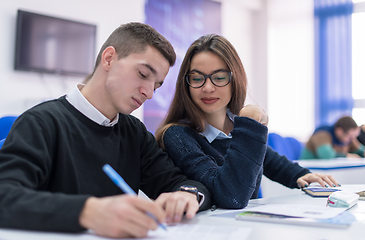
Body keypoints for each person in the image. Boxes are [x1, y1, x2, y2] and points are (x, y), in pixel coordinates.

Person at [0, 22, 212, 238]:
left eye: (156, 86)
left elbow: (181, 183)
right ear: (109, 58)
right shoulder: (40, 123)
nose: (149, 93)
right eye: (142, 74)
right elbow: (4, 196)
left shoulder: (133, 132)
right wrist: (88, 212)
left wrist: (187, 195)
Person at [154, 34, 339, 209]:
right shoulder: (177, 135)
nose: (208, 87)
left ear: (236, 79)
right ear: (186, 84)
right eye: (197, 78)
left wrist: (302, 175)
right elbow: (230, 195)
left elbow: (269, 159)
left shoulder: (235, 126)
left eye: (219, 78)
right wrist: (250, 124)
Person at [300, 116, 365, 160]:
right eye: (350, 137)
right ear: (340, 131)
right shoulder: (322, 134)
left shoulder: (347, 138)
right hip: (309, 169)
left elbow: (361, 151)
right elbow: (327, 155)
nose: (352, 140)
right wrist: (346, 156)